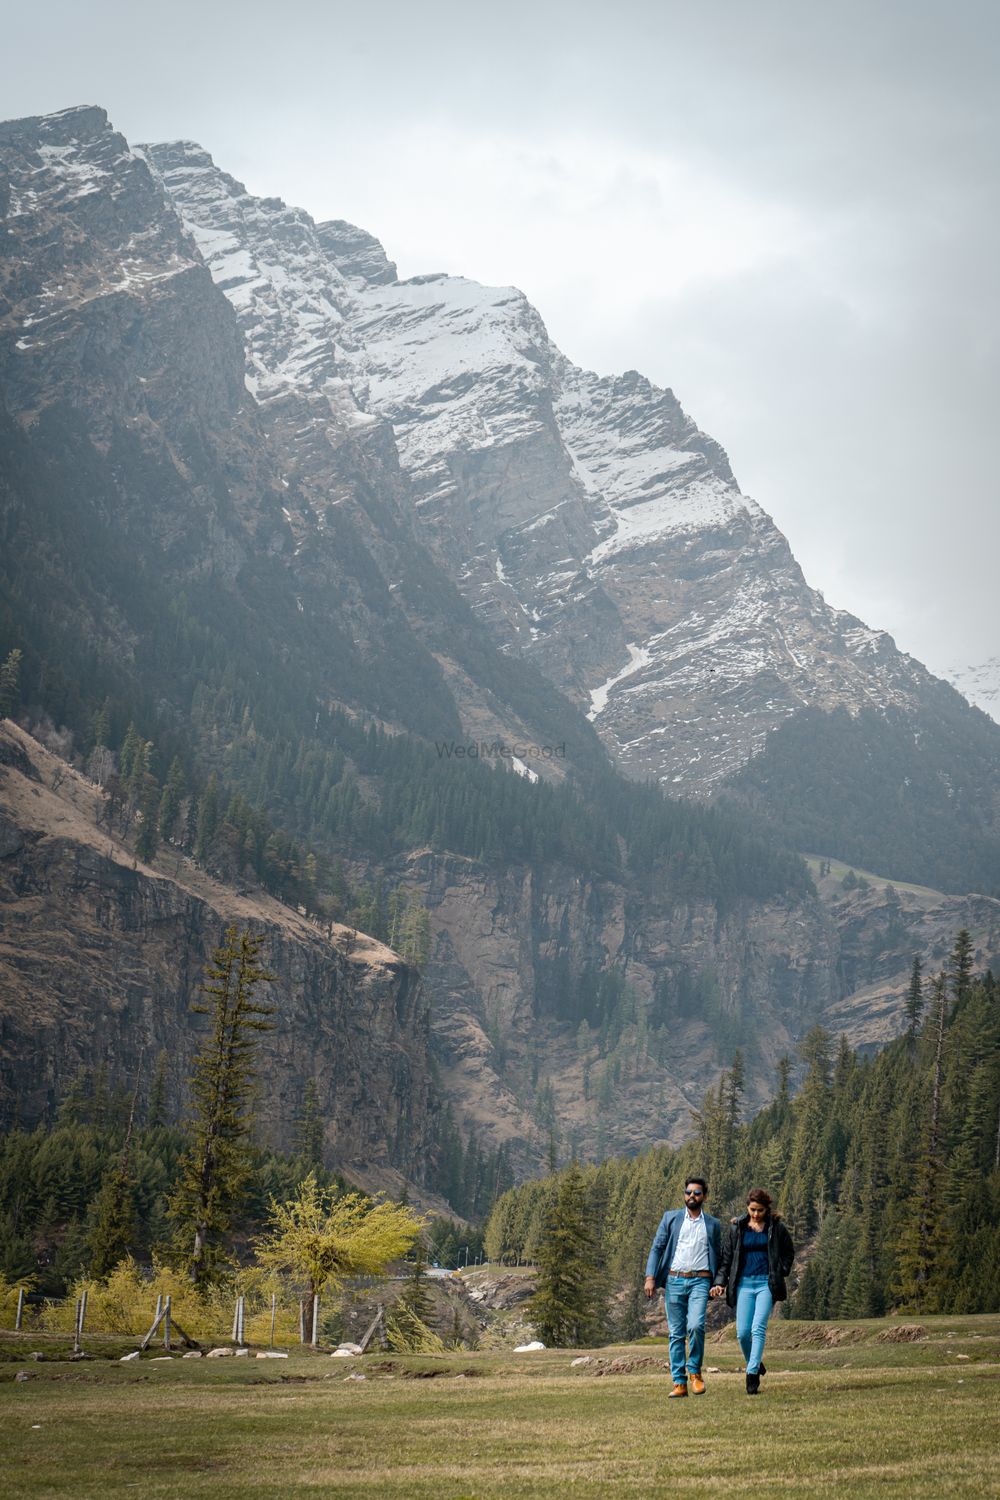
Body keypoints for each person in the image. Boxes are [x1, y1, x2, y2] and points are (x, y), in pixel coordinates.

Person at [710, 1187, 794, 1394]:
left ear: (767, 1209)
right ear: (747, 1207)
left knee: (758, 1328)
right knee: (742, 1333)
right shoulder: (737, 1228)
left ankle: (752, 1373)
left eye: (760, 1210)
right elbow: (727, 1259)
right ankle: (755, 1362)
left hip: (766, 1283)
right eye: (752, 1209)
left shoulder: (776, 1228)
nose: (756, 1214)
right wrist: (720, 1282)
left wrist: (781, 1270)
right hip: (743, 1285)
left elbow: (788, 1252)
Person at [644, 1175, 723, 1397]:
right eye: (688, 1192)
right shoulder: (670, 1218)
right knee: (676, 1333)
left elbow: (719, 1255)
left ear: (704, 1196)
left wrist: (718, 1282)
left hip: (701, 1280)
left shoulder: (713, 1224)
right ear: (684, 1195)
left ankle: (695, 1372)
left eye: (697, 1193)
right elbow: (657, 1248)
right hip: (674, 1280)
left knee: (696, 1325)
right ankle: (679, 1383)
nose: (692, 1196)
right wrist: (650, 1276)